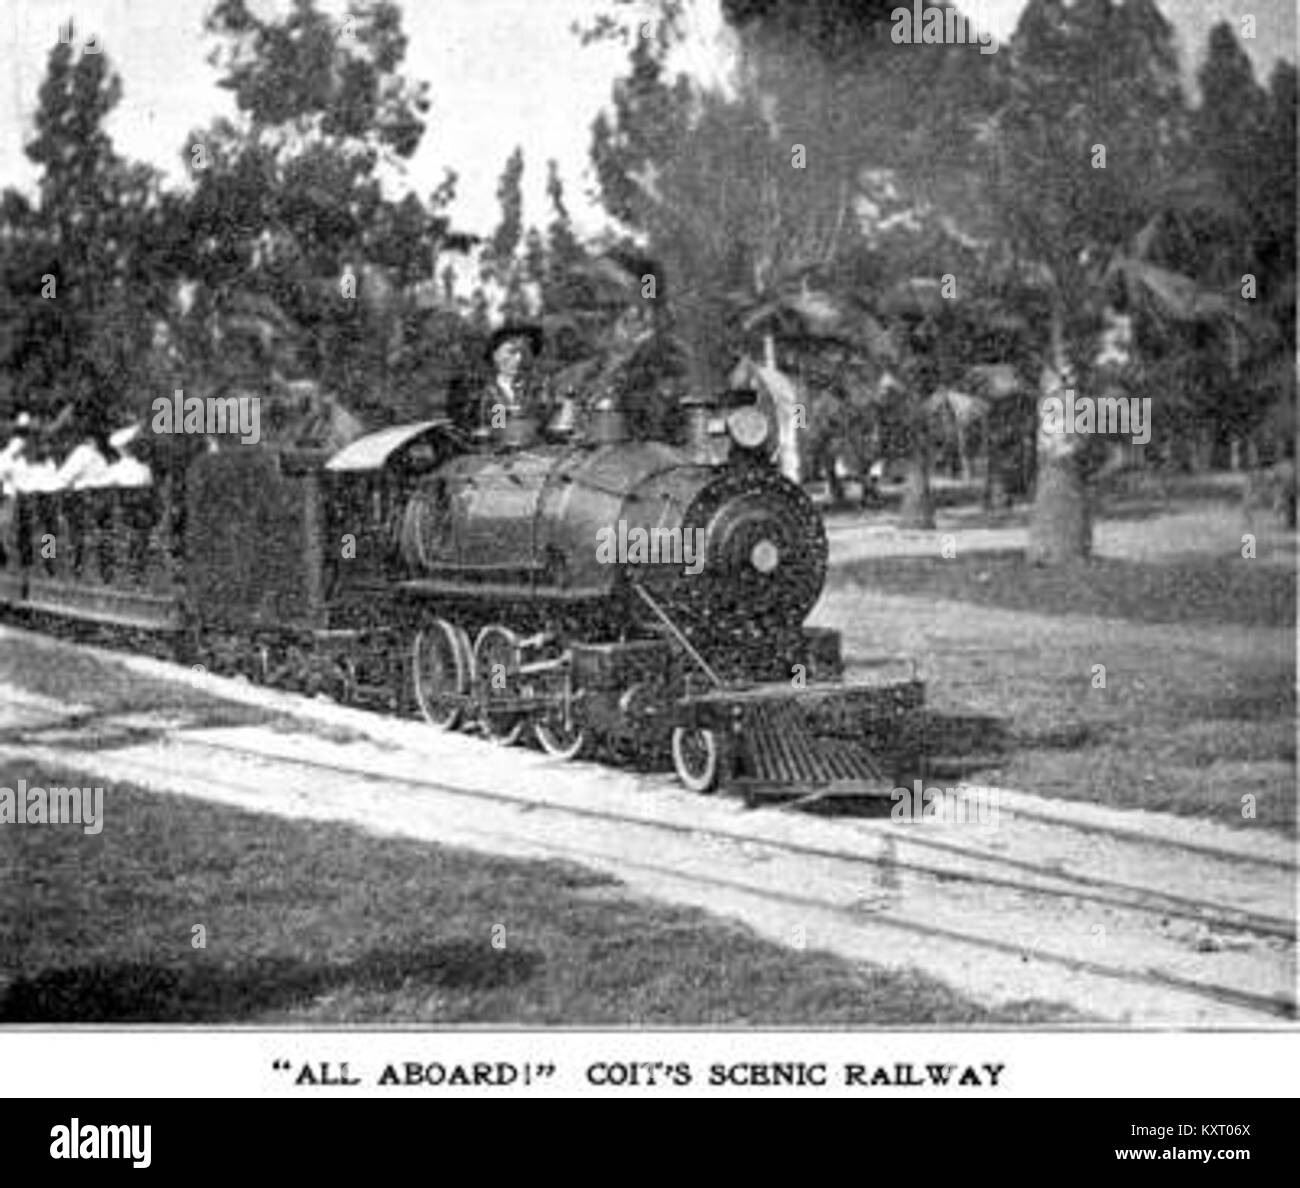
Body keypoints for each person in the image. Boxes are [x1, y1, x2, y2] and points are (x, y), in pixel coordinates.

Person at [476, 322, 548, 448]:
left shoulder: (539, 385)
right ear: (495, 356)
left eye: (523, 353)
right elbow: (497, 427)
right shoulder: (492, 392)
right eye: (511, 352)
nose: (519, 359)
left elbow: (545, 418)